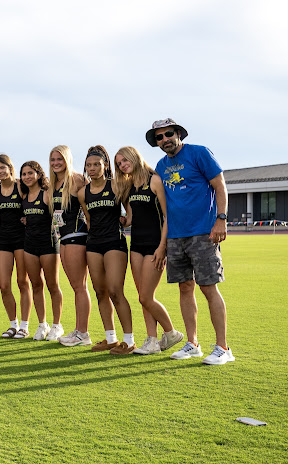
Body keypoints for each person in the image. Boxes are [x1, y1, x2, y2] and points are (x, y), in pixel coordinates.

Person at [146, 118, 232, 365]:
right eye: (159, 137)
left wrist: (221, 219)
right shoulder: (161, 166)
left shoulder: (199, 153)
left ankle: (223, 348)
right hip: (176, 236)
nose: (165, 140)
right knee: (185, 288)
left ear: (179, 134)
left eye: (168, 134)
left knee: (208, 287)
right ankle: (192, 343)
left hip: (203, 232)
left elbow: (220, 185)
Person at [114, 147, 184, 355]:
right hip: (136, 245)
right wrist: (123, 221)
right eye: (119, 163)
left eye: (124, 160)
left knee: (146, 297)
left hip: (155, 246)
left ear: (134, 157)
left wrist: (163, 247)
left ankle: (171, 332)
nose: (122, 165)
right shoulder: (129, 186)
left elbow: (167, 216)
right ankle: (152, 341)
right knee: (142, 296)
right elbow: (132, 218)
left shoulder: (155, 180)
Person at [78, 145, 135, 354]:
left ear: (105, 166)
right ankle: (111, 338)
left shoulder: (117, 185)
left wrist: (126, 221)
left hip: (114, 242)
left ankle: (129, 341)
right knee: (100, 291)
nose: (92, 168)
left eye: (96, 164)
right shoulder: (83, 193)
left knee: (115, 291)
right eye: (89, 165)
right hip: (93, 244)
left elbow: (129, 212)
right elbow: (89, 220)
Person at [48, 146, 92, 347]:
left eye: (60, 159)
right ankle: (78, 330)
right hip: (63, 237)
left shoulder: (77, 180)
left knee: (80, 287)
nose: (56, 163)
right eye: (53, 159)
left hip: (77, 235)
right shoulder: (53, 183)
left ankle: (83, 333)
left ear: (67, 160)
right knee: (76, 287)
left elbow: (90, 205)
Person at [19, 161, 64, 341]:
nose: (27, 177)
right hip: (29, 246)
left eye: (30, 173)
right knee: (36, 285)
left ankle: (57, 325)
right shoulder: (24, 196)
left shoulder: (47, 193)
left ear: (38, 174)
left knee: (53, 285)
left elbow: (59, 214)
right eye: (24, 174)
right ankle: (42, 324)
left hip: (48, 245)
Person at [0, 154, 33, 339]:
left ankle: (24, 326)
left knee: (23, 282)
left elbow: (33, 199)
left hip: (22, 239)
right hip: (3, 240)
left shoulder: (20, 185)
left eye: (3, 167)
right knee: (4, 285)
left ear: (10, 168)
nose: (0, 171)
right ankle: (13, 325)